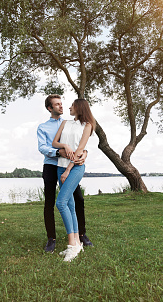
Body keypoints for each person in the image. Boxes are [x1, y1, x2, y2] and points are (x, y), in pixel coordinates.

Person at [37, 95, 93, 254]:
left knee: (77, 200)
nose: (62, 107)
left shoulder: (71, 123)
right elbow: (42, 147)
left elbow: (79, 144)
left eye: (62, 104)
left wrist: (84, 153)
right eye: (57, 104)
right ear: (50, 108)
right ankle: (51, 239)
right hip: (51, 164)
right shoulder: (43, 127)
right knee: (49, 201)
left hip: (69, 165)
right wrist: (59, 151)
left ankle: (80, 235)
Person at [52, 98, 96, 262]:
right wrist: (65, 146)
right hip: (60, 167)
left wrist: (68, 170)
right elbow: (54, 143)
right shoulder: (65, 123)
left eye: (72, 105)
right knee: (70, 205)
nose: (69, 107)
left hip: (75, 168)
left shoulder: (88, 125)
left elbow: (80, 150)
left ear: (79, 107)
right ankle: (77, 243)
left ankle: (72, 245)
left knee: (61, 203)